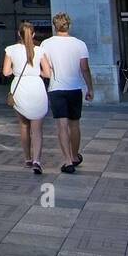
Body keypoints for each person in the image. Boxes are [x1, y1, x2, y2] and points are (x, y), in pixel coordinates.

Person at [39, 12, 93, 174]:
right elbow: (84, 68)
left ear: (55, 26)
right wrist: (90, 88)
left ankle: (67, 161)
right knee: (74, 124)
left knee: (61, 126)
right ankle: (75, 155)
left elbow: (45, 70)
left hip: (56, 88)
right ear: (69, 25)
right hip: (75, 88)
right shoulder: (80, 44)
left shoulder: (46, 44)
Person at [3, 21, 48, 174]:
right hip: (36, 87)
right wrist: (36, 72)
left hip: (20, 87)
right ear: (33, 34)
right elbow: (47, 73)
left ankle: (27, 158)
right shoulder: (39, 50)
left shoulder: (10, 50)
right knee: (37, 130)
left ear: (18, 34)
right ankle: (37, 160)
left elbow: (6, 72)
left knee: (24, 126)